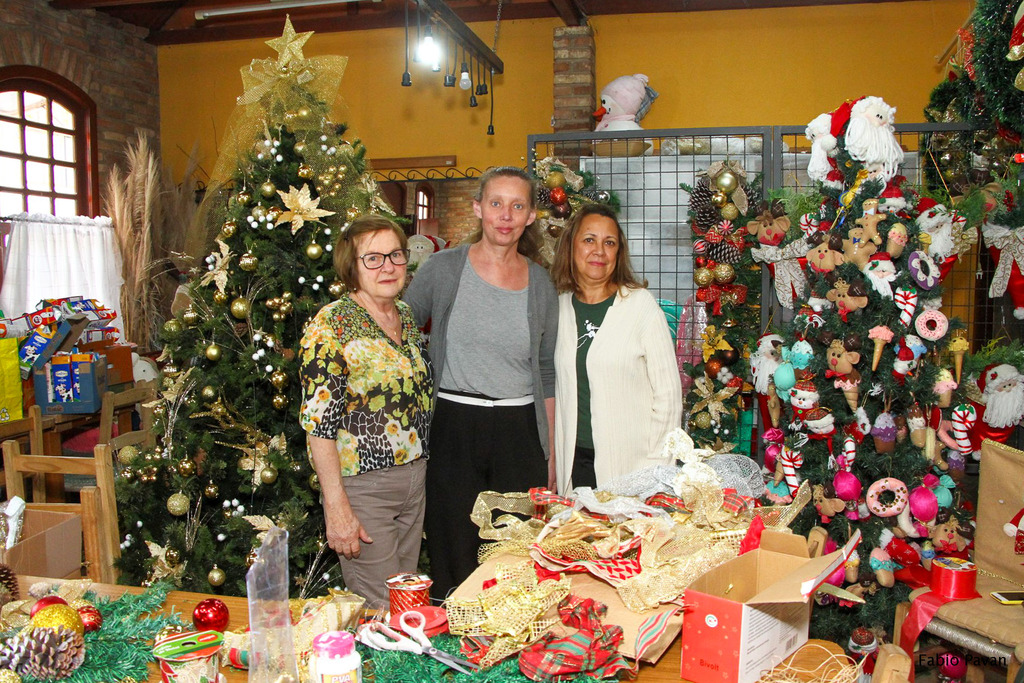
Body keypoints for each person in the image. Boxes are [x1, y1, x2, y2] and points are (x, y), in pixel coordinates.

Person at [404, 166, 558, 599]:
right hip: (453, 424)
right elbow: (402, 331)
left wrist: (548, 451)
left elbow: (545, 369)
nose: (505, 216)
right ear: (478, 209)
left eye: (517, 206)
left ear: (530, 216)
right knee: (453, 539)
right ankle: (450, 639)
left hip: (519, 430)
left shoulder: (541, 283)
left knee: (513, 550)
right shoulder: (442, 269)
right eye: (496, 204)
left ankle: (503, 641)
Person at [298, 214, 433, 608]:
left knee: (407, 601)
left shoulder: (404, 316)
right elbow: (318, 427)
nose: (388, 266)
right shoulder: (331, 325)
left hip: (414, 481)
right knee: (380, 607)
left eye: (395, 255)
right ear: (351, 267)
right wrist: (336, 507)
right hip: (363, 489)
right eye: (373, 258)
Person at [550, 203, 682, 493]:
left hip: (633, 469)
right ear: (570, 247)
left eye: (609, 243)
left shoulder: (640, 306)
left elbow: (669, 396)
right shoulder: (558, 308)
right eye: (589, 240)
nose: (599, 251)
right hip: (574, 465)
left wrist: (656, 468)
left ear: (618, 253)